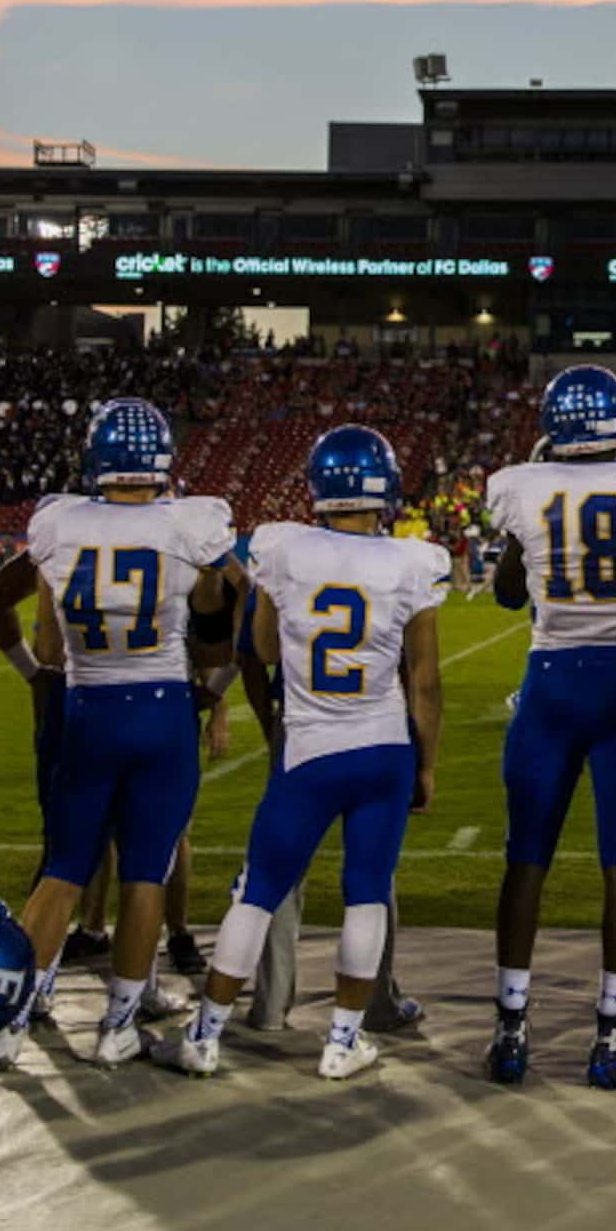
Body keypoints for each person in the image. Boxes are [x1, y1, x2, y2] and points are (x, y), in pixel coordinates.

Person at [156, 426, 443, 1082]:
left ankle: (205, 1036)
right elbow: (424, 681)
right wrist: (425, 765)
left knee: (258, 892)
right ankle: (342, 1043)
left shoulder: (281, 547)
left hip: (309, 746)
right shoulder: (412, 560)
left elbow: (260, 648)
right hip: (383, 749)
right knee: (367, 891)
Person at [0, 399, 236, 1071]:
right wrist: (220, 687)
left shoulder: (59, 522)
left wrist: (32, 672)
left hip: (87, 704)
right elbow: (245, 609)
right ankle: (117, 1026)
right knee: (145, 871)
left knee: (63, 869)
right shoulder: (190, 522)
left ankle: (11, 1022)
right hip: (161, 710)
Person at [480, 365, 616, 1090]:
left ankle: (510, 1031)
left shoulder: (524, 486)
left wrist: (531, 542)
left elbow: (508, 593)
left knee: (527, 862)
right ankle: (610, 1035)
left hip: (550, 687)